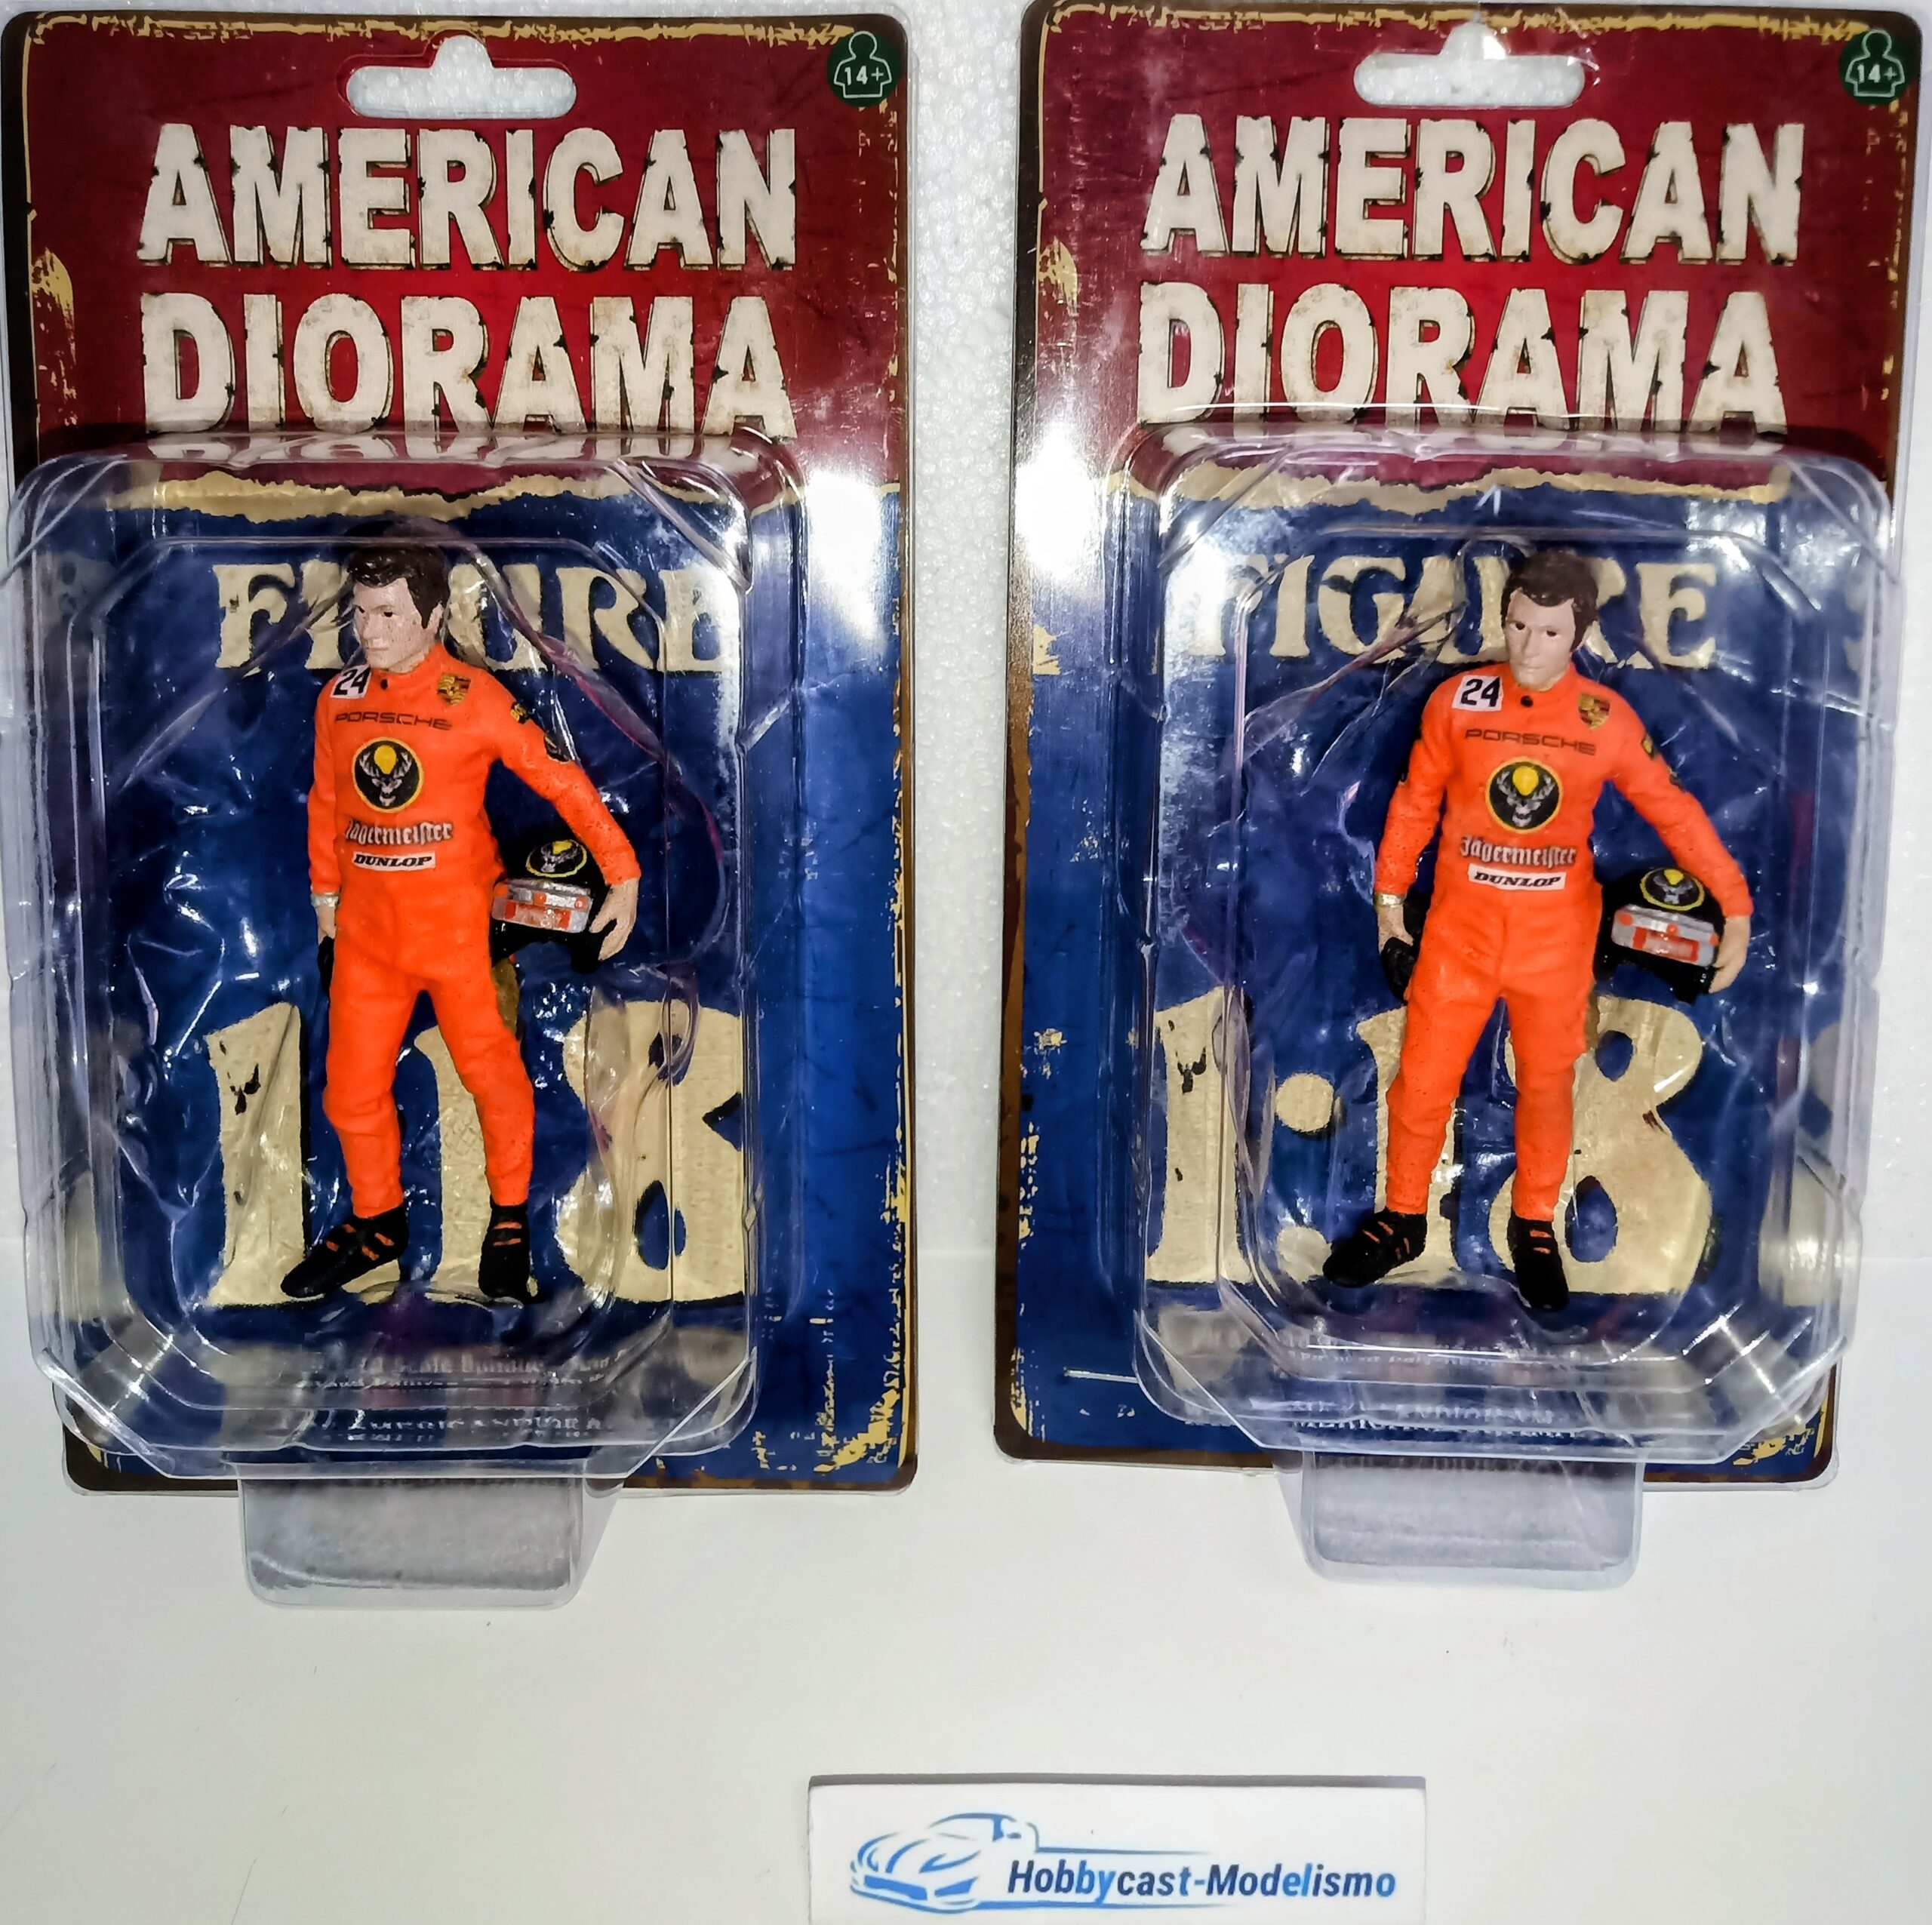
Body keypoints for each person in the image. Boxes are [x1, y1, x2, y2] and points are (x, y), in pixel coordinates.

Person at [1323, 549, 1751, 1313]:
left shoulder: (1603, 720)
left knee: (1548, 1088)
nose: (1528, 645)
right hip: (1459, 935)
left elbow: (1672, 809)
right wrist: (1389, 913)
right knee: (1420, 1083)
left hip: (1554, 944)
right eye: (1518, 625)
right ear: (1504, 617)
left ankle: (1534, 1224)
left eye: (1549, 632)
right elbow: (1414, 805)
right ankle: (1403, 1217)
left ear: (1577, 634)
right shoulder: (1460, 702)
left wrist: (1734, 905)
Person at [281, 543, 641, 1304]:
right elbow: (327, 804)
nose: (370, 631)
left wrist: (622, 871)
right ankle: (379, 1220)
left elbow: (560, 779)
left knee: (494, 1077)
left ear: (434, 616)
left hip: (462, 940)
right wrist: (326, 909)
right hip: (370, 942)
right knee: (349, 1091)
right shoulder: (339, 698)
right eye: (360, 612)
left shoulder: (473, 697)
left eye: (388, 614)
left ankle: (509, 1219)